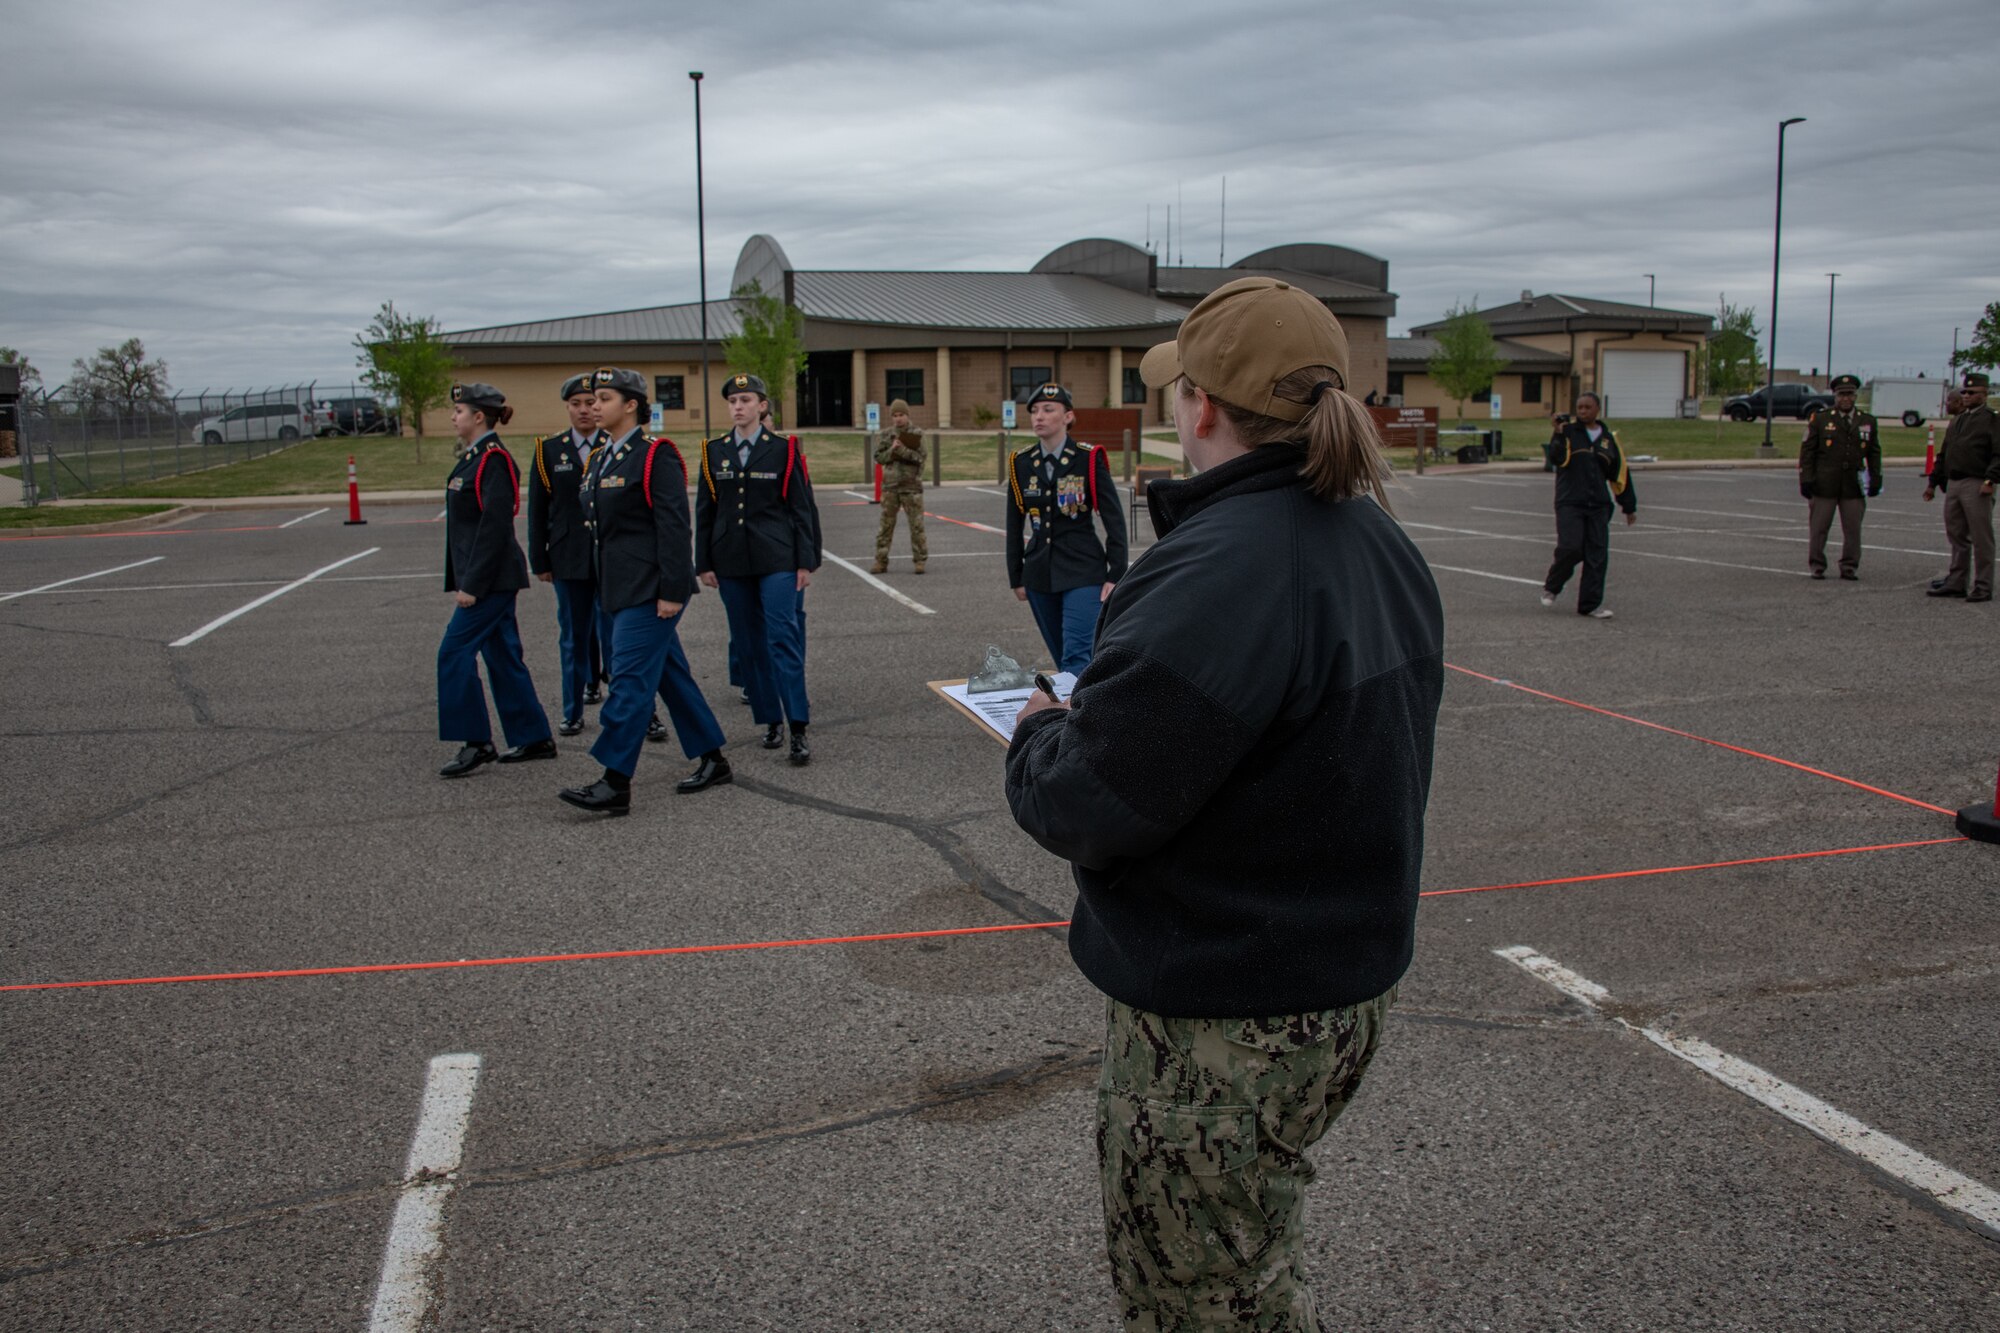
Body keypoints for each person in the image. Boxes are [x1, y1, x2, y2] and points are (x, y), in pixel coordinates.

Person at [1005, 276, 1443, 1330]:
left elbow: (1089, 798)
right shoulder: (1370, 536)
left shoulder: (1223, 567)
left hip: (1228, 1015)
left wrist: (1034, 731)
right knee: (1248, 1257)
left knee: (1195, 1302)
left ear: (1200, 407)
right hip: (1334, 981)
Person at [557, 368, 729, 814]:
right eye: (591, 399)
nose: (594, 406)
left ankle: (615, 783)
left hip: (651, 590)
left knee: (629, 681)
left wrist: (674, 589)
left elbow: (674, 526)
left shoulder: (655, 455)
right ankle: (714, 757)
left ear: (631, 405)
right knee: (670, 676)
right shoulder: (601, 458)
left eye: (604, 398)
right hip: (615, 588)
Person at [695, 372, 821, 764]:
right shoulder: (712, 451)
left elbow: (801, 508)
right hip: (731, 560)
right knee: (749, 644)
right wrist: (704, 562)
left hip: (777, 559)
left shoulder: (784, 450)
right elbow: (705, 511)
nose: (738, 406)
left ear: (762, 406)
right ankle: (770, 720)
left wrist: (805, 561)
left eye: (746, 400)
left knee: (781, 639)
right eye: (733, 400)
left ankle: (797, 725)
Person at [437, 383, 555, 777]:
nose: (453, 417)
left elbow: (493, 528)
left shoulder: (494, 460)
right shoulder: (473, 458)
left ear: (479, 417)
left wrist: (471, 585)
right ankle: (534, 736)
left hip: (490, 581)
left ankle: (476, 741)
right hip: (486, 577)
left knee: (453, 654)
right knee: (503, 656)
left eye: (459, 411)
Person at [1005, 383, 1128, 673]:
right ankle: (1073, 711)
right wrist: (1016, 576)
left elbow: (1114, 520)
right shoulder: (1021, 463)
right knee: (1062, 658)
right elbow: (1014, 524)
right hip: (1038, 573)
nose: (1039, 416)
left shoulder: (1087, 459)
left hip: (1083, 570)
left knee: (1077, 658)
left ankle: (1082, 716)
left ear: (1068, 417)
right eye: (1035, 411)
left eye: (1049, 410)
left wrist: (1115, 574)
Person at [528, 373, 605, 734]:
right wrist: (539, 559)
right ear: (568, 408)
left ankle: (638, 712)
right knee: (573, 636)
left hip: (610, 556)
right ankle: (573, 710)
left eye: (591, 403)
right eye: (576, 404)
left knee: (618, 636)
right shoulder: (549, 450)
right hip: (568, 556)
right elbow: (538, 510)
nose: (585, 410)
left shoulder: (615, 444)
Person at [1539, 393, 1637, 618]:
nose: (1582, 411)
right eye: (1579, 407)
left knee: (1597, 553)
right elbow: (1556, 458)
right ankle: (1553, 585)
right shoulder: (1569, 433)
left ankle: (1590, 604)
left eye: (1587, 407)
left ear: (1597, 409)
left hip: (1599, 504)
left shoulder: (1608, 439)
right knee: (1571, 547)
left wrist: (1628, 506)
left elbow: (1619, 473)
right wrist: (1557, 432)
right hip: (1570, 501)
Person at [1798, 374, 1881, 581]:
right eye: (1841, 394)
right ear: (1835, 396)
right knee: (1819, 528)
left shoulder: (1867, 421)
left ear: (1855, 396)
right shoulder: (1821, 418)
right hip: (1824, 483)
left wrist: (1876, 477)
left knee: (1853, 529)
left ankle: (1849, 566)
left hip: (1852, 484)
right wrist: (1805, 478)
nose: (1846, 399)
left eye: (1850, 394)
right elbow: (1808, 451)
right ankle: (1817, 565)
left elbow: (1874, 452)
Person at [1925, 371, 1998, 602]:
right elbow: (1945, 453)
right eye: (1964, 392)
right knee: (1956, 534)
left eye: (1972, 392)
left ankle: (1983, 586)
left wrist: (1990, 480)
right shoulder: (1959, 419)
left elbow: (1998, 454)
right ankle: (1957, 581)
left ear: (1984, 394)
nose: (1966, 396)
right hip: (1954, 482)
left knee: (1981, 537)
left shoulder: (1992, 419)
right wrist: (1933, 482)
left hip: (1976, 482)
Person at [871, 398, 927, 574]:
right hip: (890, 487)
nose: (898, 419)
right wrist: (892, 450)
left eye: (901, 415)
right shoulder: (887, 434)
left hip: (911, 487)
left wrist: (902, 450)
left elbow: (920, 457)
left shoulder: (916, 433)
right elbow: (879, 457)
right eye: (895, 415)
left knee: (916, 526)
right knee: (885, 526)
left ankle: (920, 560)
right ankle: (881, 560)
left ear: (907, 415)